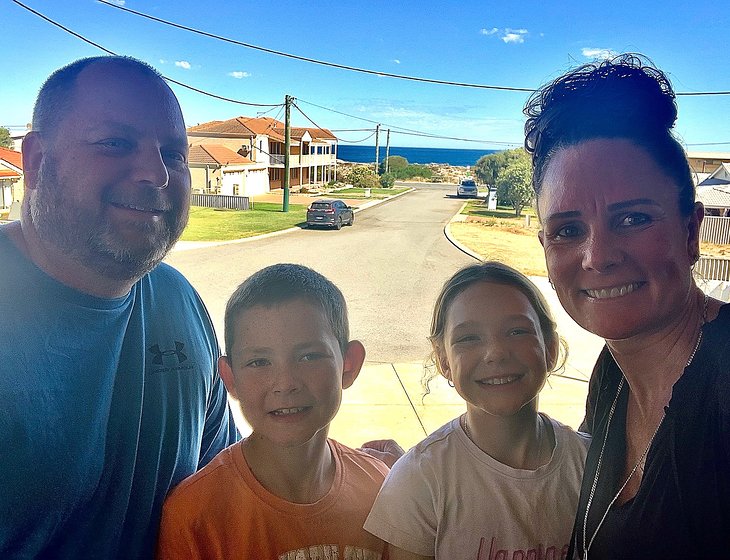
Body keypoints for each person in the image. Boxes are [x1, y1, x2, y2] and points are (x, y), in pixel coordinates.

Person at [0, 56, 237, 558]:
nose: (156, 173)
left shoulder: (178, 300)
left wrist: (363, 477)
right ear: (36, 161)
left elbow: (226, 486)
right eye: (114, 143)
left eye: (173, 154)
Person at [524, 53, 730, 559]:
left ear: (690, 231)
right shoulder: (613, 376)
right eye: (568, 230)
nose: (598, 257)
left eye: (633, 219)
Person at [156, 263, 389, 559]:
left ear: (349, 364)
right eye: (259, 362)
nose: (286, 383)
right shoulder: (195, 516)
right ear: (230, 379)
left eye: (309, 356)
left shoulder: (381, 490)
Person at [364, 262, 589, 559]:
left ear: (550, 348)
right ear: (444, 360)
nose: (495, 353)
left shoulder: (591, 465)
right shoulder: (420, 480)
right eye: (468, 338)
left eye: (517, 331)